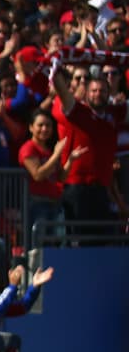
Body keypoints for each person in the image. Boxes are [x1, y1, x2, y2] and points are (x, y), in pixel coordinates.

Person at [51, 65, 126, 238]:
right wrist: (55, 68)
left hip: (102, 189)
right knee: (78, 239)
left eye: (102, 90)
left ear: (109, 93)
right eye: (93, 91)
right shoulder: (78, 112)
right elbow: (61, 91)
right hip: (77, 188)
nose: (97, 94)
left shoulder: (115, 113)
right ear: (86, 93)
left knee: (101, 240)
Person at [17, 109, 72, 243]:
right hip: (37, 205)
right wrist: (56, 155)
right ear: (31, 127)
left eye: (48, 125)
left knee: (57, 245)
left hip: (55, 204)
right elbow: (37, 174)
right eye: (40, 125)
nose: (44, 129)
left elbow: (61, 178)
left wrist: (71, 159)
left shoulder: (49, 151)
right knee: (38, 246)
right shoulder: (28, 148)